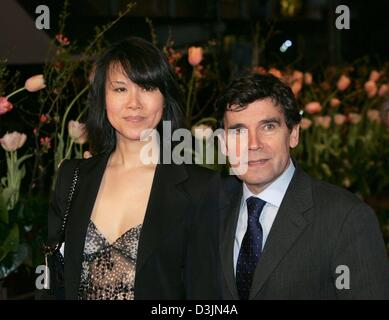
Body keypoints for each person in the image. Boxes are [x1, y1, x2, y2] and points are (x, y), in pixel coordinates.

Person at [46, 37, 218, 300]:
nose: (134, 103)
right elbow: (52, 283)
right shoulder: (72, 176)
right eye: (120, 89)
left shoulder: (200, 188)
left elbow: (206, 294)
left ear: (164, 97)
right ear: (103, 98)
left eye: (147, 88)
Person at [194, 73, 389, 299]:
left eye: (268, 126)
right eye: (238, 131)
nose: (253, 144)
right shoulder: (206, 209)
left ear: (293, 134)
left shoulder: (346, 218)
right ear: (223, 144)